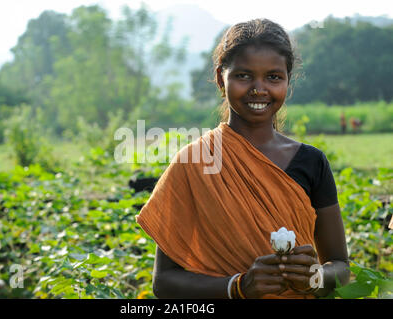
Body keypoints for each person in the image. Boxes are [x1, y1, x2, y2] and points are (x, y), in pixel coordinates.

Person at [135, 19, 350, 299]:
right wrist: (238, 286)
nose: (259, 89)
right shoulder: (194, 161)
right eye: (243, 76)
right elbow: (164, 283)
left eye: (273, 77)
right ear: (220, 80)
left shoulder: (312, 162)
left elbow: (341, 268)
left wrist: (316, 276)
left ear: (288, 80)